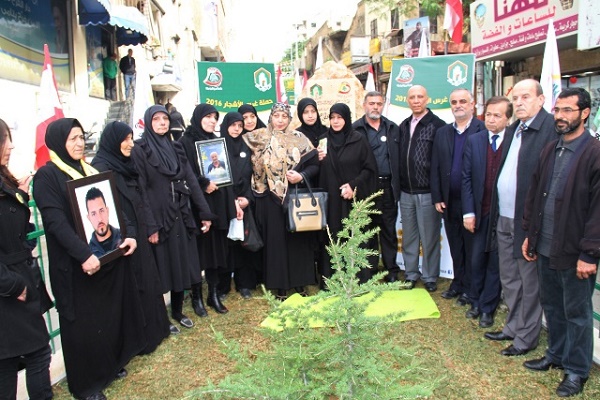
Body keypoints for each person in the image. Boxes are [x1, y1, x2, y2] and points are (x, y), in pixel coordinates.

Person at [33, 118, 145, 400]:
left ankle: (108, 367)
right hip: (73, 266)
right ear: (58, 142)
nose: (79, 143)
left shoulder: (91, 170)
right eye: (72, 138)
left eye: (82, 137)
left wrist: (129, 234)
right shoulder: (47, 176)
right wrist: (84, 254)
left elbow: (117, 209)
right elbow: (55, 223)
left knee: (103, 317)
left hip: (102, 261)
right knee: (80, 326)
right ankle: (86, 386)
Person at [521, 88, 598, 397]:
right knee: (552, 305)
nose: (561, 116)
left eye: (568, 110)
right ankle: (556, 354)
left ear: (585, 113)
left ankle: (577, 371)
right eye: (558, 110)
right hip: (545, 245)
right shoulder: (551, 148)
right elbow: (535, 191)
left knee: (577, 313)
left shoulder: (594, 152)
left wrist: (590, 253)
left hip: (575, 251)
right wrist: (531, 233)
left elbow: (597, 209)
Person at [483, 79, 556, 357]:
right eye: (516, 98)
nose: (520, 102)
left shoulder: (549, 129)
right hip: (503, 217)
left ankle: (527, 336)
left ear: (541, 99)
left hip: (526, 221)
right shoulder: (514, 128)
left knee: (529, 281)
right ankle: (512, 326)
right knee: (509, 277)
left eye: (526, 96)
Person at [131, 105, 214, 331]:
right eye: (156, 119)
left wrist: (204, 212)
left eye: (165, 119)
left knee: (181, 262)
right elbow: (141, 190)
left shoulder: (176, 147)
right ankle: (162, 318)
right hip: (159, 217)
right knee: (161, 267)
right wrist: (151, 226)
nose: (162, 123)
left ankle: (177, 310)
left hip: (181, 213)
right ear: (148, 122)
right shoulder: (140, 149)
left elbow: (192, 181)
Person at [92, 121, 170, 351]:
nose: (130, 144)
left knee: (147, 280)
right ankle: (139, 338)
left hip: (138, 231)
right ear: (113, 142)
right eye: (125, 140)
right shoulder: (101, 167)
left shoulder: (127, 163)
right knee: (133, 285)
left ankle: (155, 330)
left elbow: (141, 196)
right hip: (121, 239)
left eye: (131, 138)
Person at [243, 102, 319, 299]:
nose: (280, 120)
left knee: (297, 242)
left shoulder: (299, 139)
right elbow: (243, 160)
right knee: (275, 243)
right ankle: (281, 286)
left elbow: (314, 166)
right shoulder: (259, 137)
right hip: (268, 199)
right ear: (270, 117)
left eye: (284, 116)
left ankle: (300, 283)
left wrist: (301, 176)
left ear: (289, 119)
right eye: (276, 116)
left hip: (294, 196)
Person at [0, 119, 53, 400]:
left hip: (17, 280)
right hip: (10, 289)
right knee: (34, 354)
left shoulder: (4, 180)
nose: (11, 145)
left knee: (11, 361)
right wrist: (13, 286)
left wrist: (18, 196)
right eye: (5, 139)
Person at [430, 89, 485, 304]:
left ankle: (471, 289)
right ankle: (458, 282)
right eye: (454, 102)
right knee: (455, 246)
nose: (458, 105)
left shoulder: (481, 130)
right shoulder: (443, 132)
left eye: (463, 101)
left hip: (472, 201)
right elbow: (435, 166)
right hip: (449, 201)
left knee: (472, 247)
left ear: (472, 104)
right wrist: (437, 196)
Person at [462, 96, 512, 328]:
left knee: (495, 261)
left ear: (508, 119)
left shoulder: (514, 141)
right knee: (476, 259)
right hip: (479, 212)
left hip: (502, 214)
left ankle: (488, 308)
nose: (491, 120)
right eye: (488, 114)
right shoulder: (475, 140)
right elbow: (467, 179)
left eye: (497, 115)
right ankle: (474, 300)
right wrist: (468, 212)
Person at [179, 104, 233, 314]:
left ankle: (213, 295)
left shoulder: (216, 142)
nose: (212, 121)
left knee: (216, 253)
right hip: (197, 205)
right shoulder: (186, 141)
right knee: (199, 253)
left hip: (217, 201)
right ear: (198, 117)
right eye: (208, 117)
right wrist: (203, 183)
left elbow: (225, 171)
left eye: (214, 117)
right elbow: (185, 171)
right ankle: (196, 298)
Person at [319, 103, 377, 283]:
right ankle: (334, 280)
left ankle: (357, 279)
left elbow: (369, 169)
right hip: (331, 202)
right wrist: (318, 158)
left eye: (339, 117)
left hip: (353, 198)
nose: (335, 122)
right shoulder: (323, 140)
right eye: (332, 117)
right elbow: (317, 171)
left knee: (354, 235)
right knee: (333, 237)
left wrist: (353, 186)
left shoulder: (358, 140)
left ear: (347, 119)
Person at [397, 85, 446, 291]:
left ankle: (430, 276)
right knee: (409, 236)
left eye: (420, 97)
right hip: (406, 192)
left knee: (430, 237)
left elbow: (442, 162)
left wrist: (438, 194)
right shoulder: (404, 124)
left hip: (427, 193)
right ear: (407, 100)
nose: (416, 100)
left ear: (427, 99)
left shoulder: (438, 125)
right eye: (412, 97)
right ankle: (410, 274)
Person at [353, 91, 401, 282]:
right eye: (371, 103)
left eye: (379, 104)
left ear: (384, 105)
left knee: (388, 230)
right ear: (364, 105)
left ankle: (391, 270)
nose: (375, 107)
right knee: (368, 231)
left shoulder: (393, 128)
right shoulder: (355, 129)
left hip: (388, 186)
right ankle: (370, 270)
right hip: (365, 187)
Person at [221, 112, 259, 299]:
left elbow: (255, 176)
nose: (237, 129)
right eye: (233, 125)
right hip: (225, 202)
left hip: (245, 202)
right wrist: (232, 202)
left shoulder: (247, 146)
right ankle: (224, 286)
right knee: (226, 246)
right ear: (226, 125)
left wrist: (248, 199)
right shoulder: (218, 146)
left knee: (244, 244)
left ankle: (245, 284)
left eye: (239, 125)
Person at [86, 187, 122, 257]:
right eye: (93, 214)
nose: (99, 219)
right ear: (89, 218)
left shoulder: (124, 236)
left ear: (107, 211)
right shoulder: (88, 254)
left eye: (101, 211)